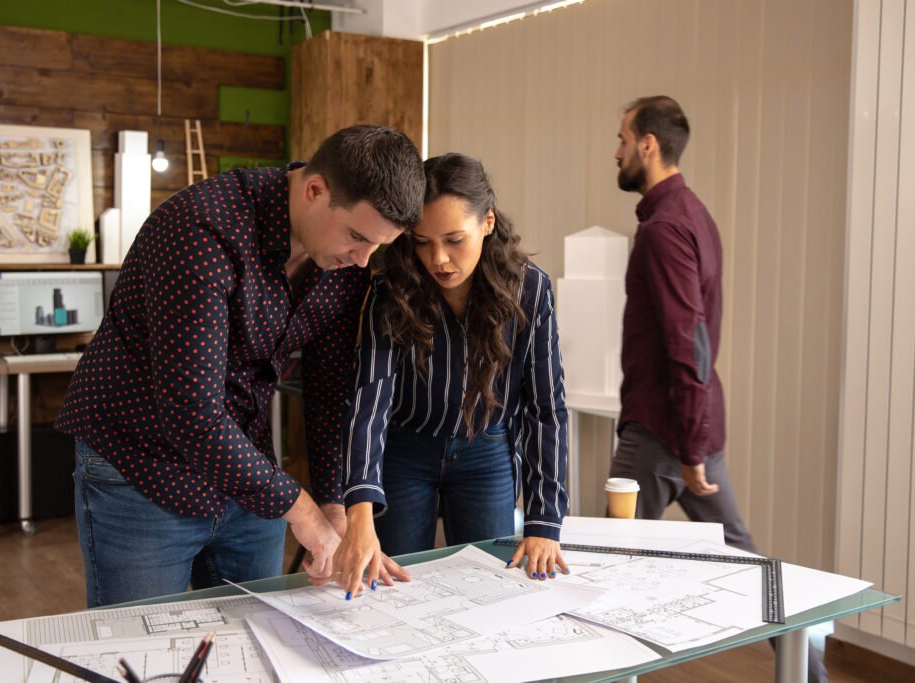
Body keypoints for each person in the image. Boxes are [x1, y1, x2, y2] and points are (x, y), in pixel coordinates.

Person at [55, 125, 425, 608]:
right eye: (357, 237)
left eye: (378, 245)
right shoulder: (201, 229)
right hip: (138, 468)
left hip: (244, 474)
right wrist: (303, 512)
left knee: (259, 641)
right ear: (314, 190)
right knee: (136, 651)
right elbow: (192, 412)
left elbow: (330, 387)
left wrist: (334, 503)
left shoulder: (343, 263)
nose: (362, 260)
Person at [609, 95, 827, 682]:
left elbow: (688, 340)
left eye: (624, 140)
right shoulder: (694, 214)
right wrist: (698, 441)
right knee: (752, 565)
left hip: (663, 432)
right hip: (687, 428)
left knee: (602, 567)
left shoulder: (664, 229)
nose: (618, 151)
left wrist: (692, 447)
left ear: (648, 144)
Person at [333, 153, 570, 599]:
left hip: (487, 453)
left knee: (486, 591)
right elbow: (370, 399)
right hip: (405, 453)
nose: (438, 259)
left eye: (454, 239)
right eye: (422, 242)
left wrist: (544, 521)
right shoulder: (391, 288)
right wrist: (359, 512)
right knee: (395, 590)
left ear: (488, 222)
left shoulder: (531, 288)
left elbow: (546, 406)